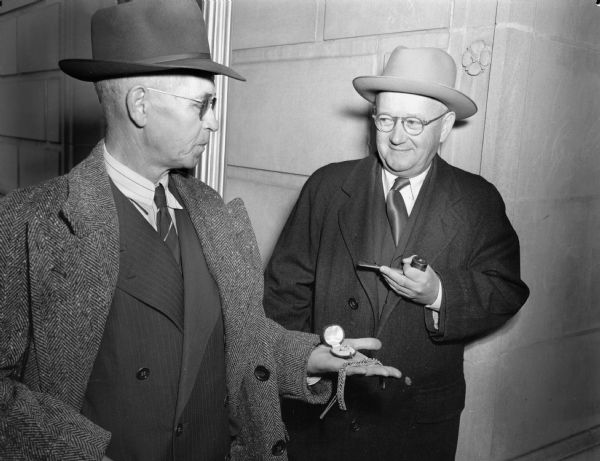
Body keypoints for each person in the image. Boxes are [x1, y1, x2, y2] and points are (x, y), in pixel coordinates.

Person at [0, 1, 401, 460]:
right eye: (202, 105)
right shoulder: (30, 224)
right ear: (140, 106)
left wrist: (308, 357)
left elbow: (231, 337)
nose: (213, 120)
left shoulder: (212, 212)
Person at [264, 46, 530, 460]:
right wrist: (308, 367)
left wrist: (440, 294)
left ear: (444, 127)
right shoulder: (326, 187)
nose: (396, 136)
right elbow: (284, 292)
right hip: (326, 413)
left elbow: (507, 291)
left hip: (417, 424)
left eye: (413, 122)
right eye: (385, 119)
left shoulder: (478, 200)